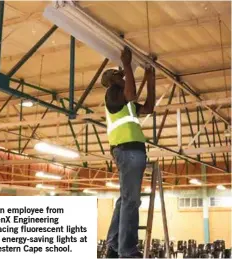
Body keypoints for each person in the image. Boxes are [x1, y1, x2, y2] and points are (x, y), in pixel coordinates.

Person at [101, 46, 155, 258]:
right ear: (113, 81)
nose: (123, 77)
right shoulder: (113, 94)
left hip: (131, 150)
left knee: (125, 200)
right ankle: (127, 251)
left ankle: (115, 245)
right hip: (128, 150)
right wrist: (126, 63)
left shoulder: (126, 103)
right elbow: (131, 93)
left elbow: (149, 107)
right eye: (120, 76)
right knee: (131, 201)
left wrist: (150, 80)